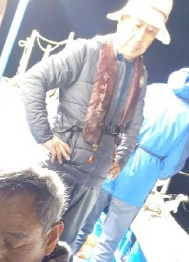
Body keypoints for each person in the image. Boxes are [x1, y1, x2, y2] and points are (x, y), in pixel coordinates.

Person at [20, 0, 172, 247]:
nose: (141, 36)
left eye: (150, 32)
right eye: (138, 25)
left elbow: (135, 123)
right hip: (58, 167)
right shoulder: (87, 51)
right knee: (29, 236)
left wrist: (122, 157)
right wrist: (44, 135)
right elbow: (33, 80)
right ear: (122, 20)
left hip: (93, 180)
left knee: (60, 247)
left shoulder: (140, 74)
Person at [73, 67, 189, 262]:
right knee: (110, 238)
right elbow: (175, 160)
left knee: (83, 221)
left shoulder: (154, 91)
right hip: (141, 177)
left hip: (113, 159)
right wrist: (156, 170)